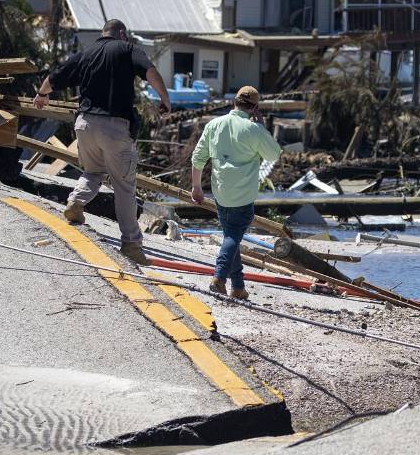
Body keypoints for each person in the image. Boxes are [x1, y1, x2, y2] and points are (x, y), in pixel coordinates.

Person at [33, 19, 171, 265]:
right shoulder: (127, 49)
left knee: (92, 171)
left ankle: (75, 202)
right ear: (122, 33)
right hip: (115, 127)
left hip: (85, 124)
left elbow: (54, 78)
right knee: (124, 186)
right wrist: (165, 98)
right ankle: (131, 244)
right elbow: (151, 72)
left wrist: (41, 95)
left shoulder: (86, 53)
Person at [190, 86, 281, 300]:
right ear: (254, 107)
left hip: (220, 191)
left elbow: (198, 157)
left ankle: (238, 287)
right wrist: (261, 126)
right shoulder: (254, 129)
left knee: (232, 237)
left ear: (234, 102)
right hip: (243, 195)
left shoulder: (214, 125)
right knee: (232, 236)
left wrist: (196, 187)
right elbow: (274, 154)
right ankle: (219, 277)